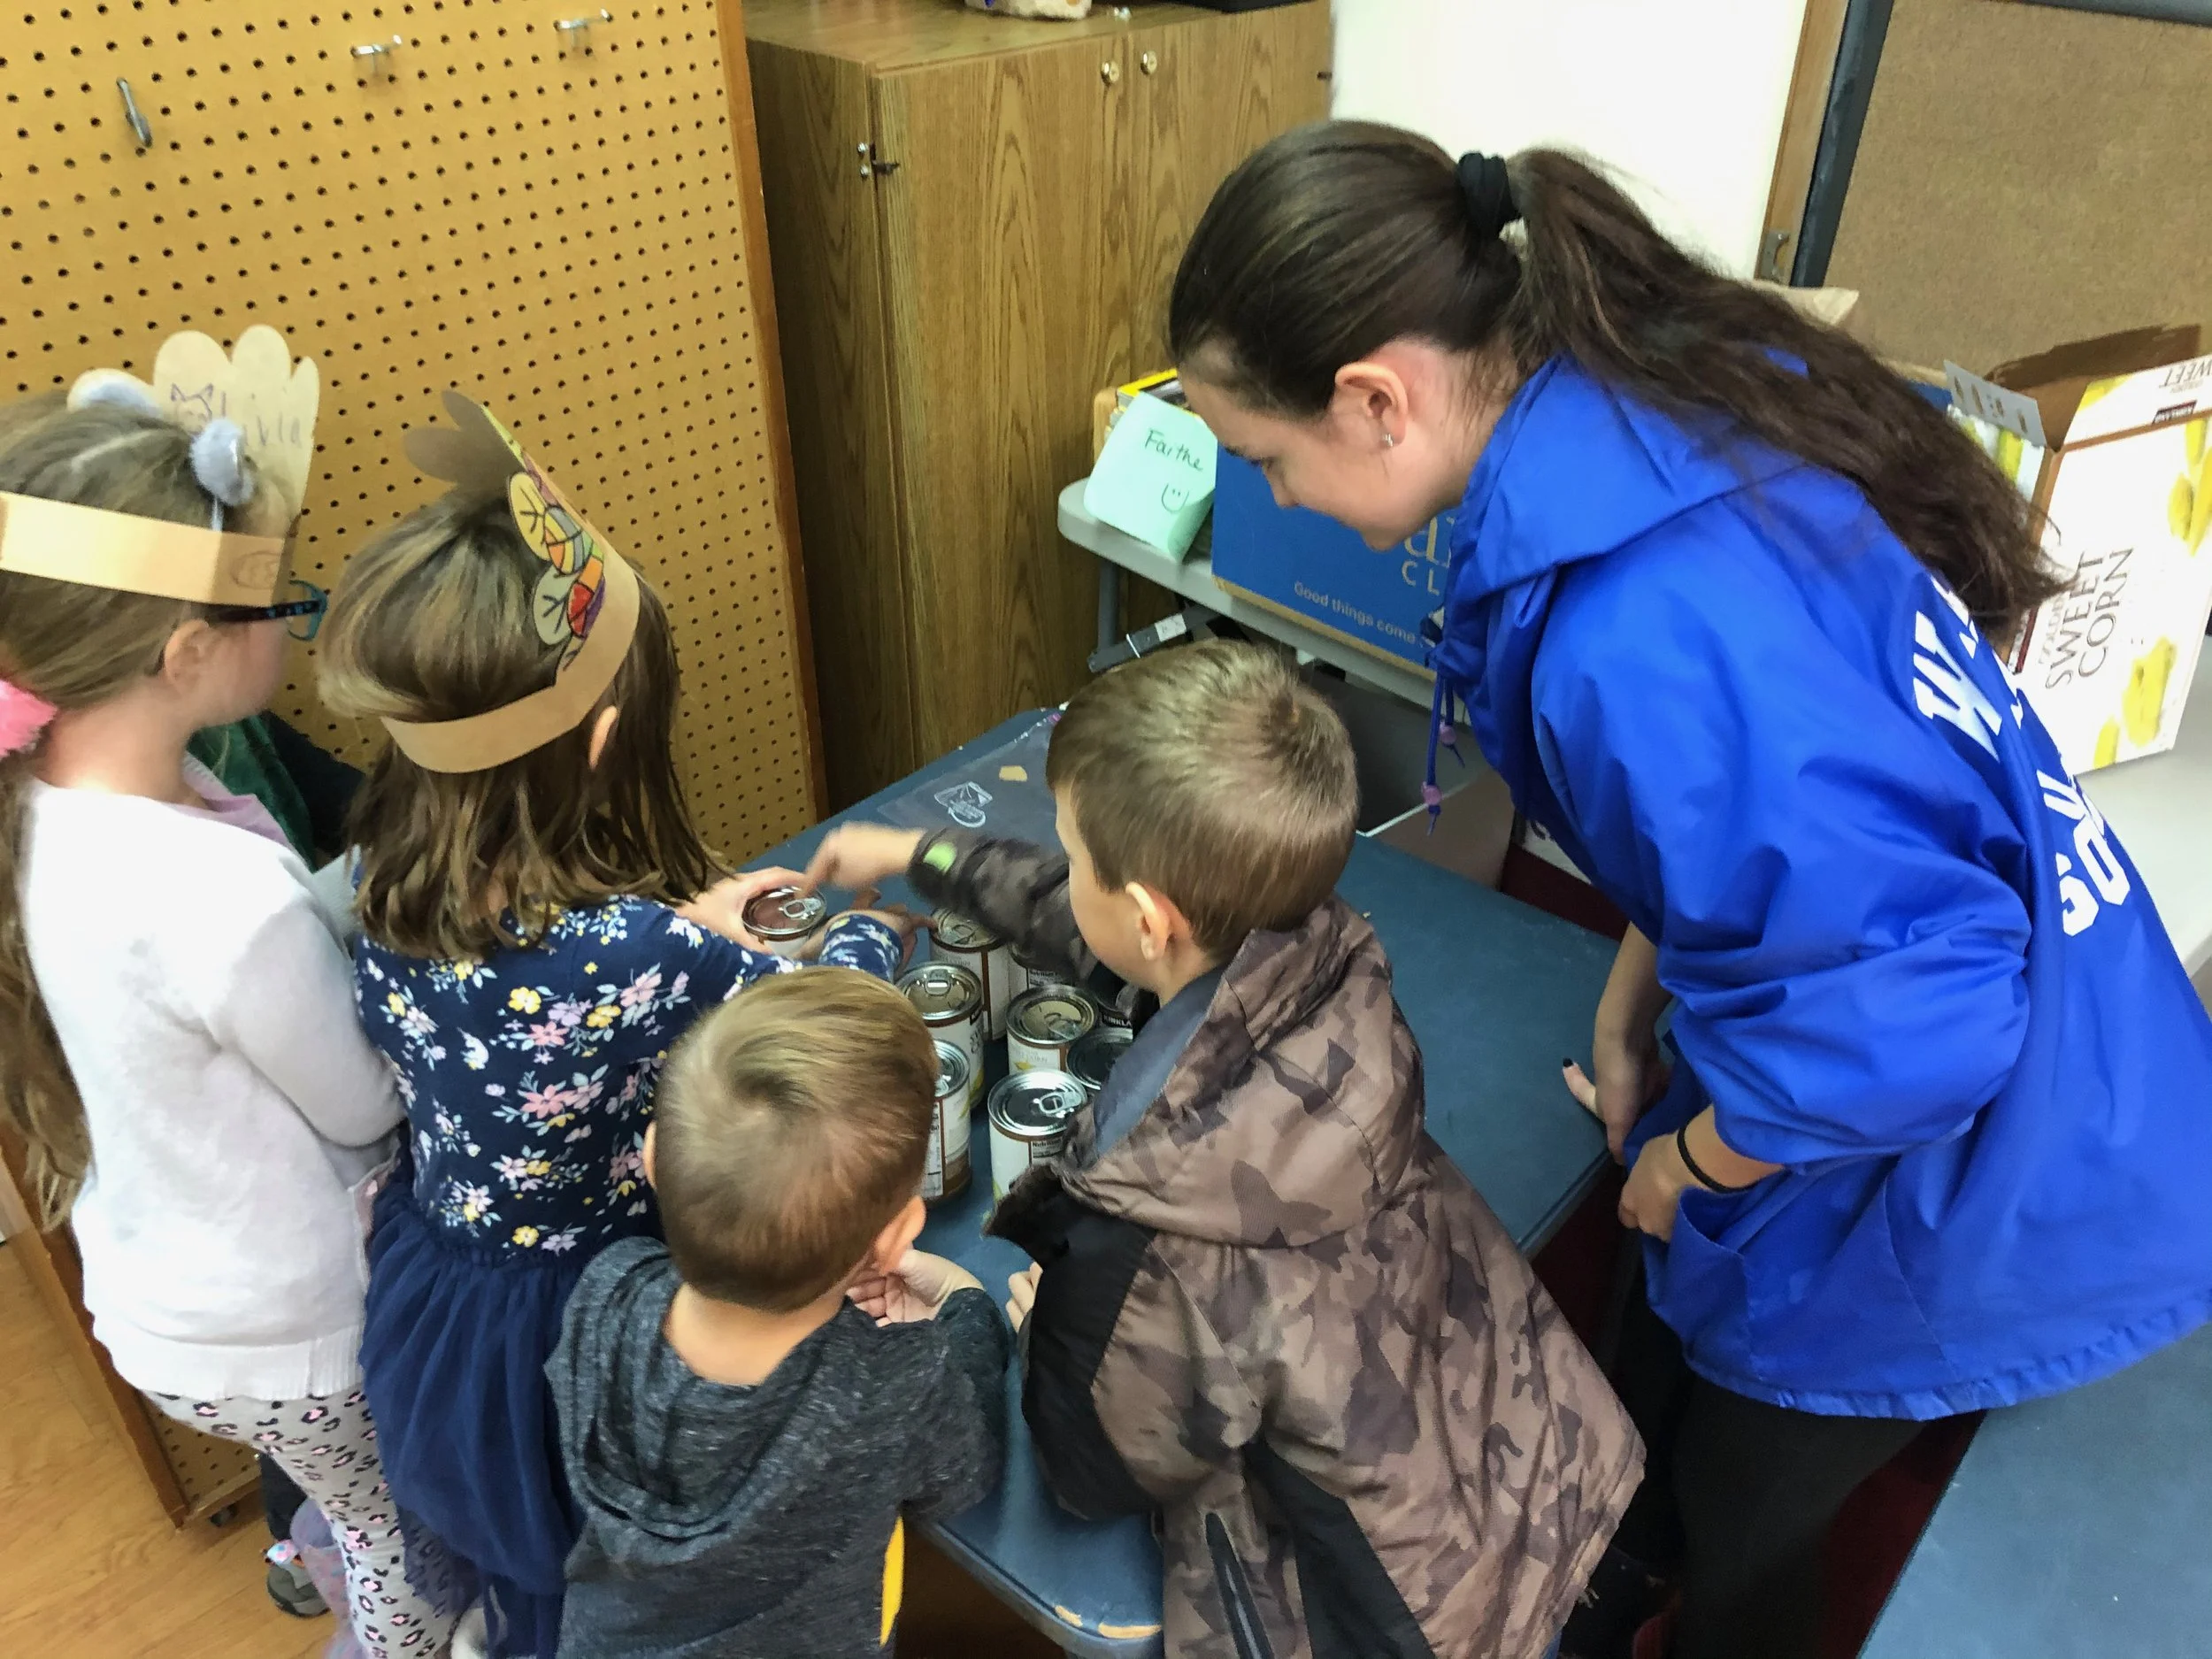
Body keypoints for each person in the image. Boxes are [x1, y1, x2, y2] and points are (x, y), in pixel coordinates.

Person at [1159, 122, 2212, 1659]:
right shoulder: (1640, 413)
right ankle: (1620, 1558)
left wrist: (1695, 1167)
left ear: (1376, 398)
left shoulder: (1638, 638)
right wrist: (1633, 992)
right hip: (1941, 993)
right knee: (1657, 1345)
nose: (1279, 495)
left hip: (2016, 1139)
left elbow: (1928, 1023)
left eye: (1267, 458)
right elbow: (1758, 812)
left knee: (1749, 1511)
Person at [805, 640, 1643, 1659]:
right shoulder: (1316, 947)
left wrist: (1024, 1330)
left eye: (1074, 857)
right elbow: (1101, 936)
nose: (1068, 876)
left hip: (1402, 1615)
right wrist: (924, 856)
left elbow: (1094, 1468)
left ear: (1149, 917)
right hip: (1533, 1472)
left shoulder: (1145, 1219)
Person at [316, 407, 910, 1659]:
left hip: (443, 1301)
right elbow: (831, 1026)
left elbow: (553, 991)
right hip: (579, 1328)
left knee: (524, 1573)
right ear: (602, 738)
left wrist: (684, 931)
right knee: (585, 1580)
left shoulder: (380, 877)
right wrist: (867, 932)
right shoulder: (632, 955)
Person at [0, 380, 455, 1657]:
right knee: (405, 1537)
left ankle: (309, 1543)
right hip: (289, 1328)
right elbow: (362, 1103)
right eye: (282, 602)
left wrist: (352, 889)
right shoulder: (215, 901)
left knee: (339, 1491)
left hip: (173, 1289)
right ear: (188, 652)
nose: (296, 622)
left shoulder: (59, 796)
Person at [546, 968, 1010, 1658]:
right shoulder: (889, 1390)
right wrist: (966, 1307)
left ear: (652, 1159)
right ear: (896, 1235)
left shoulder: (606, 1292)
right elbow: (967, 1471)